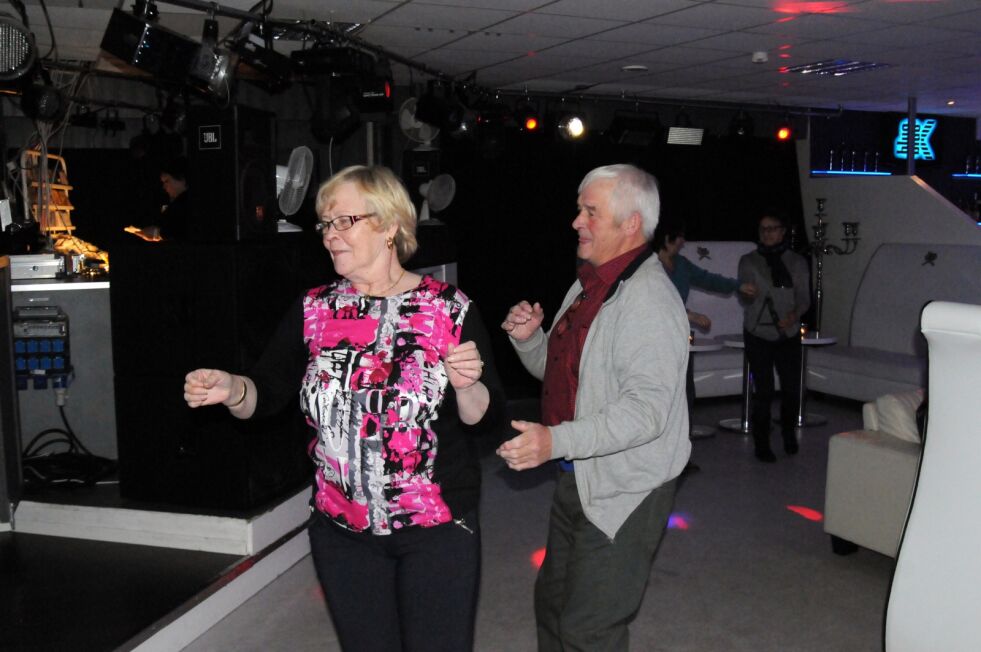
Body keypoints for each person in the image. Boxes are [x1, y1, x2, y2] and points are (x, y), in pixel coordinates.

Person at [183, 165, 505, 651]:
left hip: (436, 528)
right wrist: (233, 389)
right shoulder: (315, 309)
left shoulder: (449, 309)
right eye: (325, 225)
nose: (329, 236)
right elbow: (266, 395)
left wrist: (466, 387)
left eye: (343, 222)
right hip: (341, 531)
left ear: (390, 224)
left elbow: (489, 418)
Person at [498, 164, 690, 651]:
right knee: (554, 605)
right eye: (579, 209)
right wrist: (530, 341)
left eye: (590, 212)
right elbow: (571, 379)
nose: (576, 221)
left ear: (630, 224)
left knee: (589, 628)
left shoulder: (648, 299)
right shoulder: (591, 285)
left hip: (628, 487)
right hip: (580, 473)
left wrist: (555, 440)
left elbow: (647, 413)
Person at [654, 217, 756, 470]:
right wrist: (691, 315)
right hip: (653, 342)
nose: (683, 242)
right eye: (680, 237)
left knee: (685, 395)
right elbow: (657, 302)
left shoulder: (681, 264)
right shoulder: (649, 266)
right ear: (668, 238)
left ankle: (680, 456)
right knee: (658, 398)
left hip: (678, 341)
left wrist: (737, 285)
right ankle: (655, 457)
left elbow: (709, 279)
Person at [738, 213, 811, 462]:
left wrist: (793, 315)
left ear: (782, 232)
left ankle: (789, 432)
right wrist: (747, 294)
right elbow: (744, 295)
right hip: (758, 332)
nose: (767, 233)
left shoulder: (797, 262)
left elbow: (804, 297)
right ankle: (762, 442)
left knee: (791, 389)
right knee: (764, 390)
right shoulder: (748, 261)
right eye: (763, 229)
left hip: (788, 333)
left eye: (772, 229)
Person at [127, 156, 189, 241]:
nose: (164, 187)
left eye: (167, 181)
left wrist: (157, 233)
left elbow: (181, 232)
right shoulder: (176, 203)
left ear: (182, 179)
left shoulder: (186, 204)